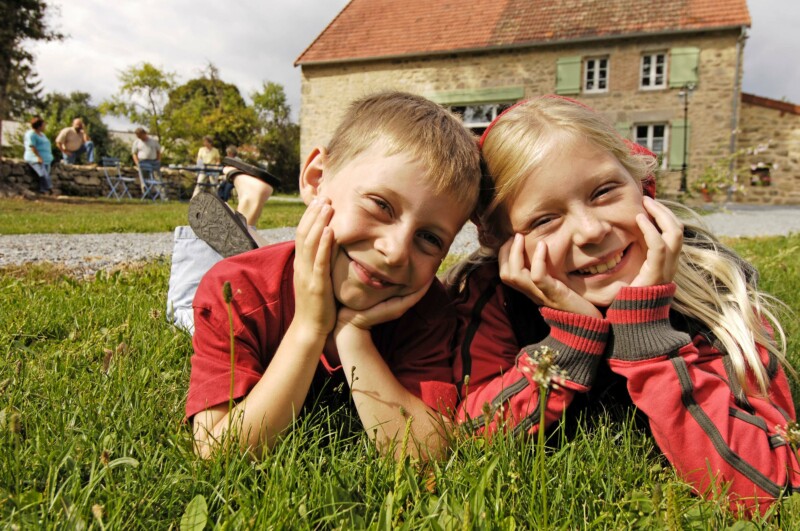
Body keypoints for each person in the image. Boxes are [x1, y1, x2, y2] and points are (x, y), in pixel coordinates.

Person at [447, 95, 799, 513]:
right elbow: (465, 440)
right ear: (499, 239)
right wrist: (566, 344)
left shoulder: (712, 286)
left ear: (640, 183)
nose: (591, 231)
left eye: (604, 191)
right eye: (544, 219)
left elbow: (769, 482)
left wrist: (647, 335)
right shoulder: (494, 298)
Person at [185, 91, 482, 461]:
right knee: (187, 292)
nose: (395, 250)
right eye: (381, 206)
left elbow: (428, 453)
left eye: (429, 238)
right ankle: (244, 220)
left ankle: (250, 222)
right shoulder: (238, 289)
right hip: (246, 274)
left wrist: (353, 332)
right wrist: (309, 327)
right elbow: (217, 452)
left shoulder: (429, 312)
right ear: (316, 179)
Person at [24, 116, 54, 194]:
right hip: (35, 158)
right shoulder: (31, 134)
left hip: (46, 159)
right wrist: (38, 157)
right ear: (39, 126)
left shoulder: (42, 134)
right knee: (42, 174)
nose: (45, 126)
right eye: (43, 125)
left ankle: (43, 191)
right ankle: (50, 189)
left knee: (46, 174)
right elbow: (32, 146)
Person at [131, 127, 162, 195]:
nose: (139, 137)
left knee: (157, 177)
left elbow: (158, 151)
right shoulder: (137, 142)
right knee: (144, 179)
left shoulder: (153, 141)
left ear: (144, 134)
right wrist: (137, 162)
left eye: (140, 135)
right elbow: (134, 153)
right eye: (138, 136)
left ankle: (161, 194)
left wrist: (158, 161)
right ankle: (146, 193)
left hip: (153, 162)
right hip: (142, 162)